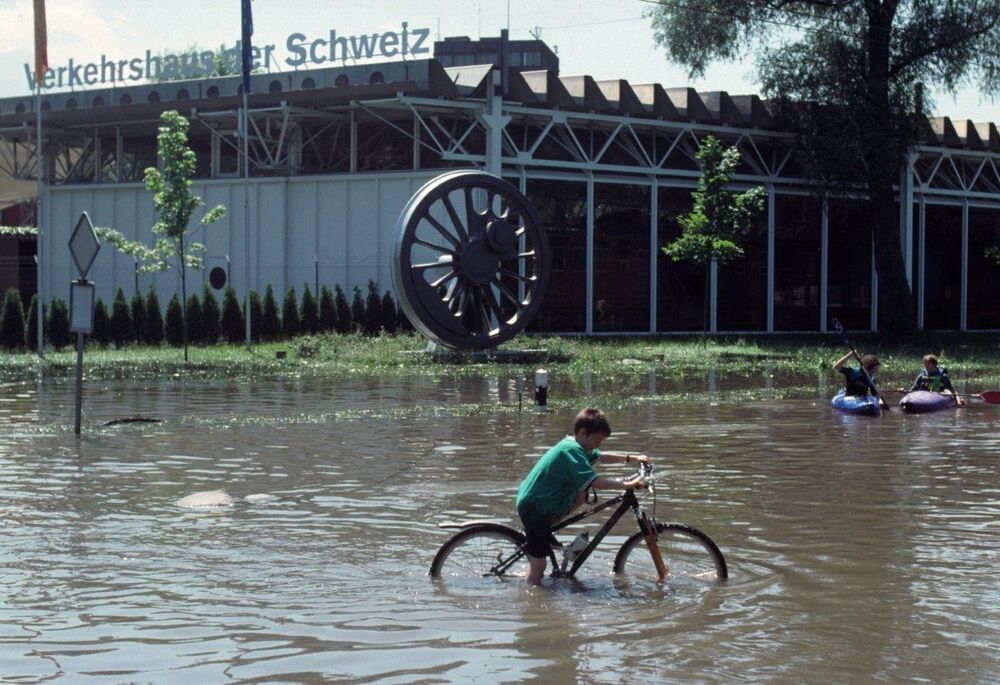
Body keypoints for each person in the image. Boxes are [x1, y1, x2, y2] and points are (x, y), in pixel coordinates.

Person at [515, 408, 649, 585]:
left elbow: (602, 457)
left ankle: (550, 536)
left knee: (582, 495)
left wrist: (631, 458)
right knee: (539, 565)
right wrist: (627, 485)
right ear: (582, 433)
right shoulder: (571, 450)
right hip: (535, 507)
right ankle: (531, 599)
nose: (597, 445)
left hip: (543, 502)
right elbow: (594, 481)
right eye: (596, 441)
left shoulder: (578, 445)